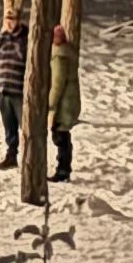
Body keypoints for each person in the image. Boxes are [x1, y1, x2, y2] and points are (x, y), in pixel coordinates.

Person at [0, 13, 28, 167]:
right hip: (2, 89)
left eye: (12, 20)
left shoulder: (25, 38)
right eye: (7, 20)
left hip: (19, 89)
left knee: (25, 125)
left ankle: (29, 156)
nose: (9, 23)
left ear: (18, 20)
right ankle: (11, 156)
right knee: (9, 126)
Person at [48, 23, 81, 179]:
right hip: (70, 101)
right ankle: (64, 168)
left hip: (64, 104)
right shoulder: (68, 53)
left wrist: (51, 104)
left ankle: (63, 170)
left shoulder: (60, 57)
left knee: (60, 136)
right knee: (63, 136)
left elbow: (57, 83)